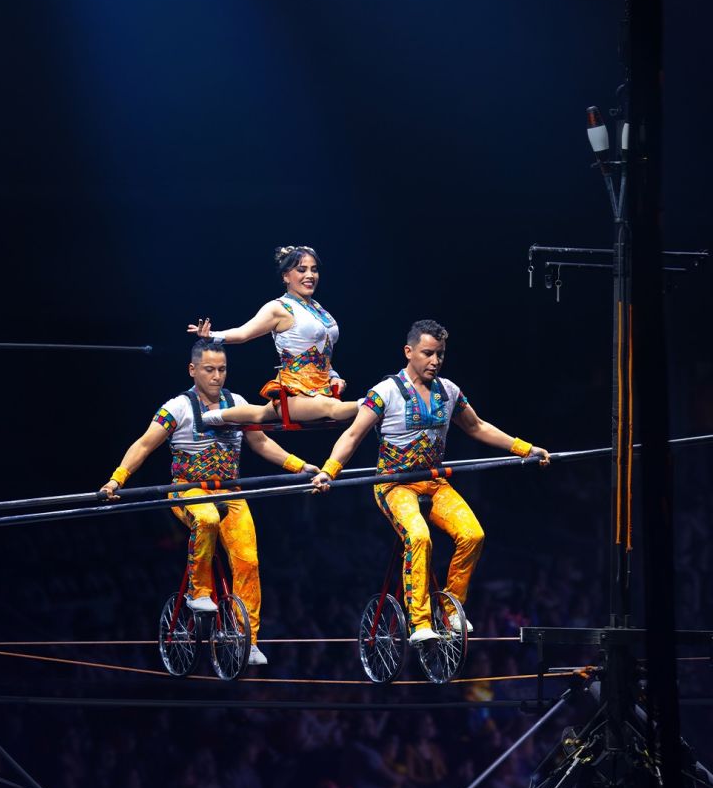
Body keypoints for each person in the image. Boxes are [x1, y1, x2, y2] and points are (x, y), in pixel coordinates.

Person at [312, 320, 549, 641]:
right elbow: (352, 435)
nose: (435, 361)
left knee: (473, 535)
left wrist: (525, 449)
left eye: (440, 354)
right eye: (427, 353)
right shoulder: (384, 393)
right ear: (409, 352)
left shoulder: (449, 391)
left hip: (434, 483)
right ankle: (420, 622)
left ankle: (450, 610)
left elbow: (478, 427)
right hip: (394, 485)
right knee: (419, 537)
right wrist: (329, 470)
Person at [100, 339, 318, 665]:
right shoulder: (176, 408)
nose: (217, 376)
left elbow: (261, 442)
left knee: (249, 560)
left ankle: (248, 640)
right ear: (193, 370)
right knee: (207, 520)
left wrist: (300, 466)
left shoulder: (237, 403)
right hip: (188, 491)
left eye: (222, 369)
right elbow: (144, 445)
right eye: (209, 370)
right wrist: (117, 479)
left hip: (230, 493)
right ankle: (198, 592)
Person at [187, 245, 359, 425]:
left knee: (261, 414)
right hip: (295, 392)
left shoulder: (318, 308)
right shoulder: (278, 308)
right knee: (331, 407)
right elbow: (244, 333)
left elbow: (322, 352)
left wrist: (333, 375)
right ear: (286, 276)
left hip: (322, 388)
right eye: (302, 270)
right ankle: (372, 403)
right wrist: (212, 336)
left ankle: (216, 416)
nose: (310, 275)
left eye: (314, 270)